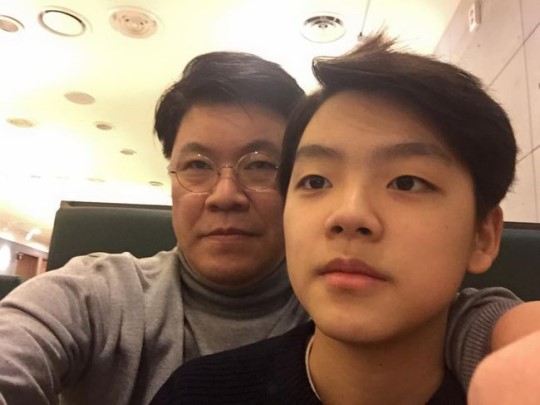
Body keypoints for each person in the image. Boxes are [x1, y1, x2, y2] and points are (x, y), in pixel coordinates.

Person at [0, 48, 528, 405]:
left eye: (260, 166)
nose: (224, 195)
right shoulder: (102, 296)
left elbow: (468, 319)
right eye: (196, 166)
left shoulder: (359, 293)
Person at [149, 33, 523, 404]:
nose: (348, 214)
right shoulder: (195, 393)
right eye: (316, 181)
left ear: (483, 236)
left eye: (406, 182)